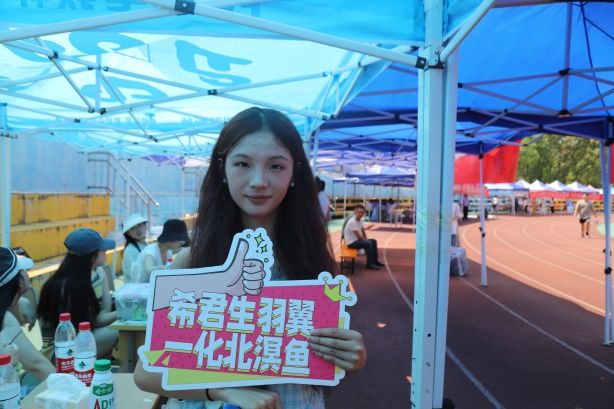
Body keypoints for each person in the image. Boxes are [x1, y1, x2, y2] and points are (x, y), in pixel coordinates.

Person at [134, 107, 367, 409]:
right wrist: (220, 390)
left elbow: (325, 359)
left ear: (294, 173)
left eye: (276, 166)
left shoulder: (315, 266)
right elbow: (146, 372)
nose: (259, 181)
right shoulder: (192, 262)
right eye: (243, 163)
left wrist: (350, 354)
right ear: (222, 169)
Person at [38, 228, 118, 359]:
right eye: (102, 249)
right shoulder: (68, 286)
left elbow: (104, 312)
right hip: (61, 351)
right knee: (122, 332)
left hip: (81, 338)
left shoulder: (97, 272)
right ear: (91, 256)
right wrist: (123, 313)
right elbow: (90, 323)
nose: (105, 252)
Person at [0, 247, 55, 381]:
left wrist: (20, 300)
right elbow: (36, 365)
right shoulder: (5, 318)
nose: (26, 273)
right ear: (18, 283)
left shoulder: (7, 311)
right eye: (22, 271)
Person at [130, 219, 189, 283]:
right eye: (180, 240)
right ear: (171, 238)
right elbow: (149, 269)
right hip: (140, 286)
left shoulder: (168, 253)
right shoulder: (151, 251)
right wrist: (171, 267)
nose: (182, 243)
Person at [343, 204, 384, 270]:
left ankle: (375, 261)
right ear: (355, 212)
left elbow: (363, 231)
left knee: (373, 241)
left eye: (362, 212)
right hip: (351, 243)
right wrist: (366, 241)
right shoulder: (352, 222)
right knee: (369, 243)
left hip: (356, 240)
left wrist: (366, 239)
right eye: (359, 212)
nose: (361, 214)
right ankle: (369, 264)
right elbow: (359, 236)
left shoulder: (360, 220)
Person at [121, 213, 148, 282]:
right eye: (132, 228)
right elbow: (137, 277)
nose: (137, 230)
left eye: (139, 225)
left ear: (145, 226)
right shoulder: (130, 250)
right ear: (128, 233)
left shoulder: (146, 245)